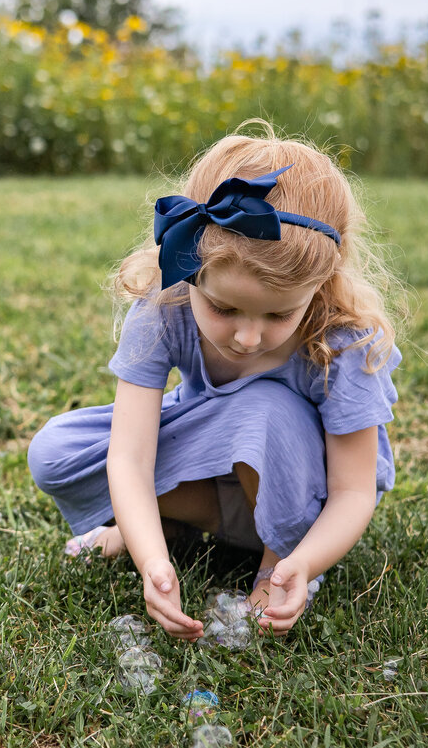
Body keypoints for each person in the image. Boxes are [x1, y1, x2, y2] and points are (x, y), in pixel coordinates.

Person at [28, 122, 403, 639]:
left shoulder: (345, 342)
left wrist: (304, 564)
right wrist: (153, 563)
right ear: (189, 267)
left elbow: (353, 492)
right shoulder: (164, 305)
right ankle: (171, 532)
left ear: (322, 284)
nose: (248, 337)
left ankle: (275, 563)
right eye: (223, 307)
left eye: (278, 315)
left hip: (302, 502)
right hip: (218, 477)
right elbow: (130, 457)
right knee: (55, 450)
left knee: (265, 409)